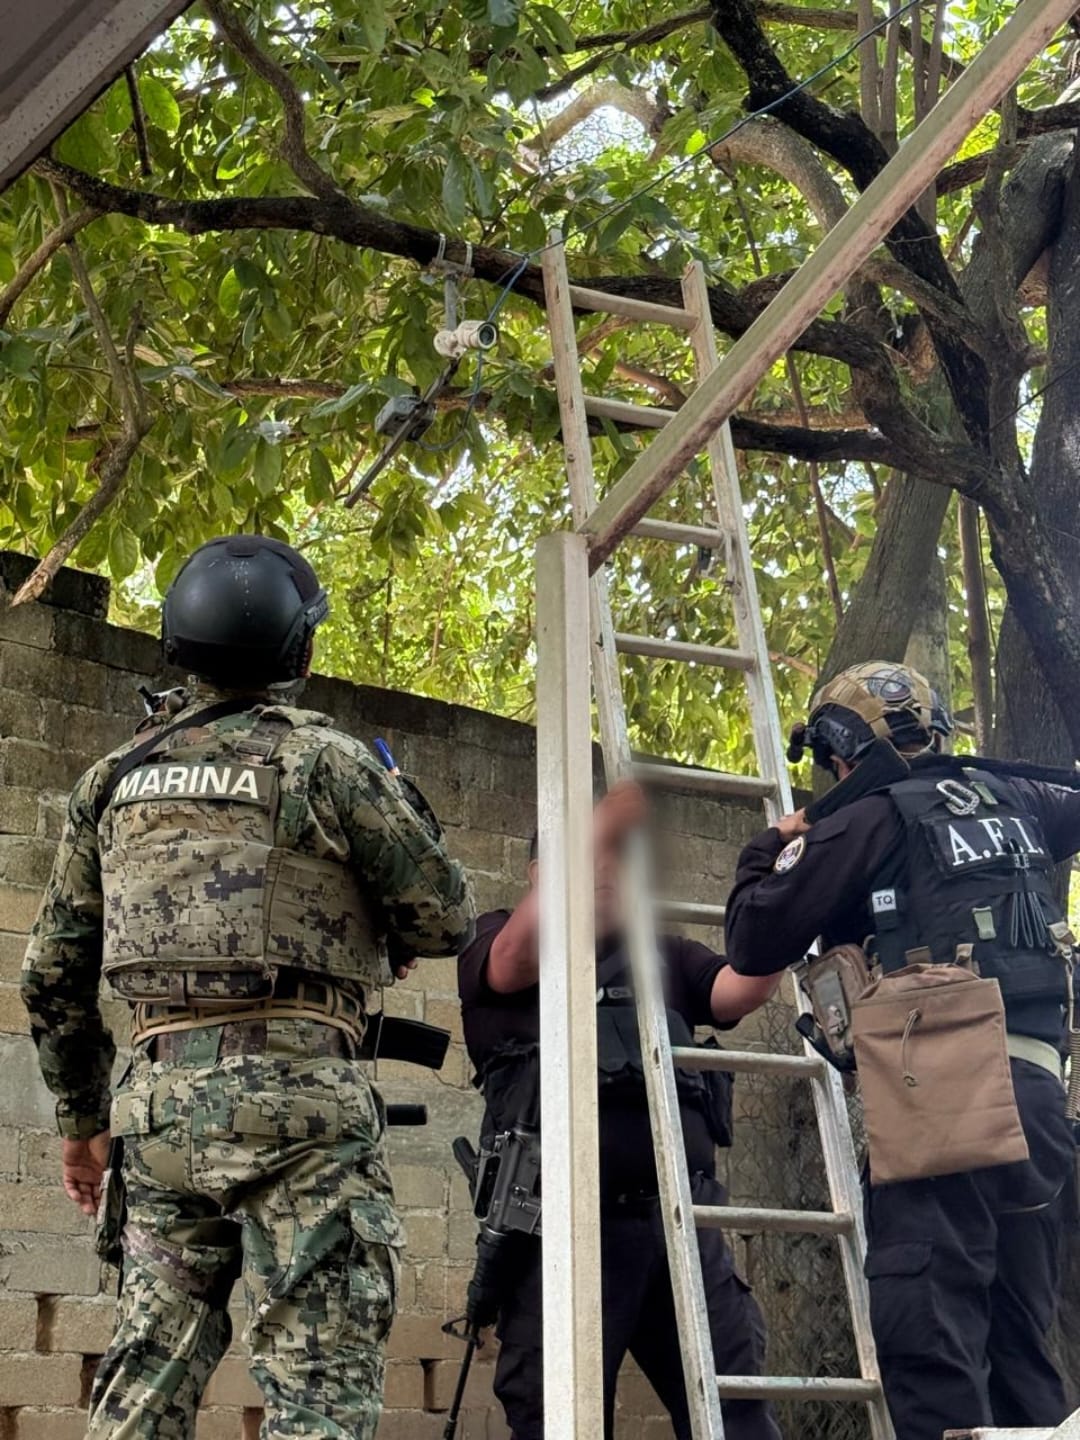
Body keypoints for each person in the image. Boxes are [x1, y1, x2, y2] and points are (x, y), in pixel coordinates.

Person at [21, 534, 475, 1439]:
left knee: (144, 1385)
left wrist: (82, 1127)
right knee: (317, 1396)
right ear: (298, 652)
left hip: (155, 1116)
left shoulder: (114, 779)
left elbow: (51, 976)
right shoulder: (329, 763)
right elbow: (445, 920)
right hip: (300, 1114)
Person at [724, 661, 1078, 1440]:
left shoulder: (869, 818)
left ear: (841, 750)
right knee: (1022, 1342)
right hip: (1041, 1102)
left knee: (929, 1333)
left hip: (942, 1102)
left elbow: (752, 940)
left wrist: (769, 848)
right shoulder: (1020, 800)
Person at [457, 781, 784, 1440]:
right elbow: (514, 959)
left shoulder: (661, 951)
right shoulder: (498, 940)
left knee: (737, 1415)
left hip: (680, 1228)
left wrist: (785, 892)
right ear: (539, 873)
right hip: (562, 1236)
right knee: (559, 1424)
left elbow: (738, 990)